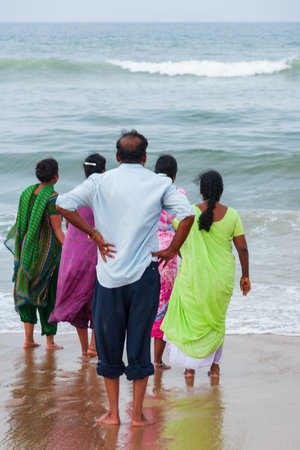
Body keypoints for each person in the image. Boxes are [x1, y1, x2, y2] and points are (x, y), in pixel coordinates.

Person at [56, 130, 195, 427]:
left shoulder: (100, 181)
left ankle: (114, 414)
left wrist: (93, 234)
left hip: (108, 279)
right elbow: (188, 215)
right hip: (144, 277)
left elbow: (62, 204)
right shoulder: (158, 183)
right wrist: (173, 249)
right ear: (144, 157)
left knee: (108, 346)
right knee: (139, 344)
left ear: (117, 157)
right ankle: (139, 415)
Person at [161, 170, 251, 379]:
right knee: (216, 321)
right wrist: (245, 276)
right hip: (221, 279)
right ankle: (215, 367)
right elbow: (243, 249)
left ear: (200, 190)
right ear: (221, 190)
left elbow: (178, 244)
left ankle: (190, 368)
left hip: (193, 277)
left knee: (192, 320)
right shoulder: (233, 215)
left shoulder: (188, 212)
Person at [49, 153, 106, 358]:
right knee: (97, 301)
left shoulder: (74, 194)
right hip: (93, 254)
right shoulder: (102, 196)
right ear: (103, 171)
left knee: (78, 302)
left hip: (72, 254)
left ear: (84, 171)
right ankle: (94, 346)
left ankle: (84, 350)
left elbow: (67, 223)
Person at [5, 158, 65, 350]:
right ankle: (49, 342)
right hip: (48, 256)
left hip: (26, 254)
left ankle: (28, 340)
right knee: (48, 296)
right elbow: (57, 230)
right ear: (55, 176)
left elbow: (21, 224)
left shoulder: (26, 193)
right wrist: (71, 249)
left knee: (28, 293)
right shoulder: (53, 198)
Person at [152, 155, 187, 370]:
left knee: (141, 304)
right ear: (174, 175)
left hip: (144, 251)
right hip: (169, 255)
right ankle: (156, 360)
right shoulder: (178, 193)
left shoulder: (145, 191)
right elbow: (184, 224)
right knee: (163, 307)